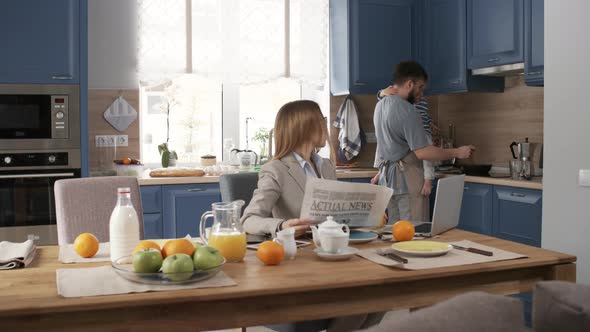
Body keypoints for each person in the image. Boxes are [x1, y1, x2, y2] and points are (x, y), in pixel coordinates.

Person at [241, 100, 384, 332]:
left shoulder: (326, 165)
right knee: (360, 299)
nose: (327, 129)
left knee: (380, 292)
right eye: (322, 122)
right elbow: (248, 220)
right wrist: (282, 225)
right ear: (305, 126)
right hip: (302, 263)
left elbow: (336, 216)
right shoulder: (276, 169)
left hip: (333, 254)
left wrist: (367, 214)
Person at [372, 60, 474, 223]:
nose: (421, 93)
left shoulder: (379, 107)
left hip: (388, 181)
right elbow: (423, 152)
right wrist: (457, 152)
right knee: (413, 233)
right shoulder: (408, 110)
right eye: (420, 87)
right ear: (410, 84)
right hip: (408, 180)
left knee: (393, 231)